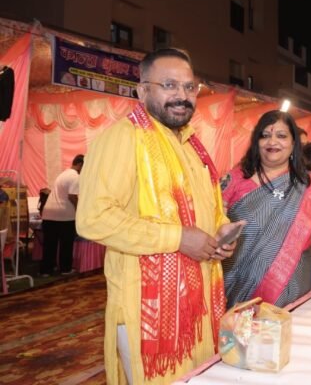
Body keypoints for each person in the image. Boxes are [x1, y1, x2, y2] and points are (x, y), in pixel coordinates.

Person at [77, 48, 244, 384]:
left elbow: (210, 210)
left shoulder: (192, 145)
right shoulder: (124, 138)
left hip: (198, 306)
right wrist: (179, 238)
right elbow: (94, 218)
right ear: (143, 91)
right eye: (169, 85)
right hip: (149, 315)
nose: (182, 95)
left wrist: (222, 233)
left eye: (189, 87)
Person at [221, 110, 311, 308]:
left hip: (291, 289)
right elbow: (215, 225)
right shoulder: (235, 179)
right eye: (265, 135)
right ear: (256, 141)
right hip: (235, 286)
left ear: (293, 143)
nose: (272, 142)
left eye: (281, 136)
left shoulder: (310, 185)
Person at [40, 154, 84, 276]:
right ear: (80, 165)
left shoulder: (63, 174)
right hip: (64, 215)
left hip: (49, 214)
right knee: (66, 244)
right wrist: (79, 210)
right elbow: (72, 196)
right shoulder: (75, 177)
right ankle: (65, 269)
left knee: (49, 245)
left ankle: (46, 270)